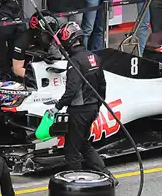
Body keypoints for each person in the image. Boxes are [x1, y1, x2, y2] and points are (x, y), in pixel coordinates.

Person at [48, 21, 113, 180]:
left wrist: (57, 107)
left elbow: (72, 90)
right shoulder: (94, 57)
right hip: (92, 109)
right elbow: (102, 84)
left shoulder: (74, 61)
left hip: (79, 111)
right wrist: (97, 106)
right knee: (83, 144)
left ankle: (76, 184)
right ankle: (107, 175)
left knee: (71, 152)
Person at [11, 12, 62, 83]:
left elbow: (58, 58)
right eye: (46, 34)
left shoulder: (50, 39)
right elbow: (17, 69)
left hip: (48, 71)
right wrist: (38, 76)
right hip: (30, 76)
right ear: (37, 31)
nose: (49, 38)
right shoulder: (22, 42)